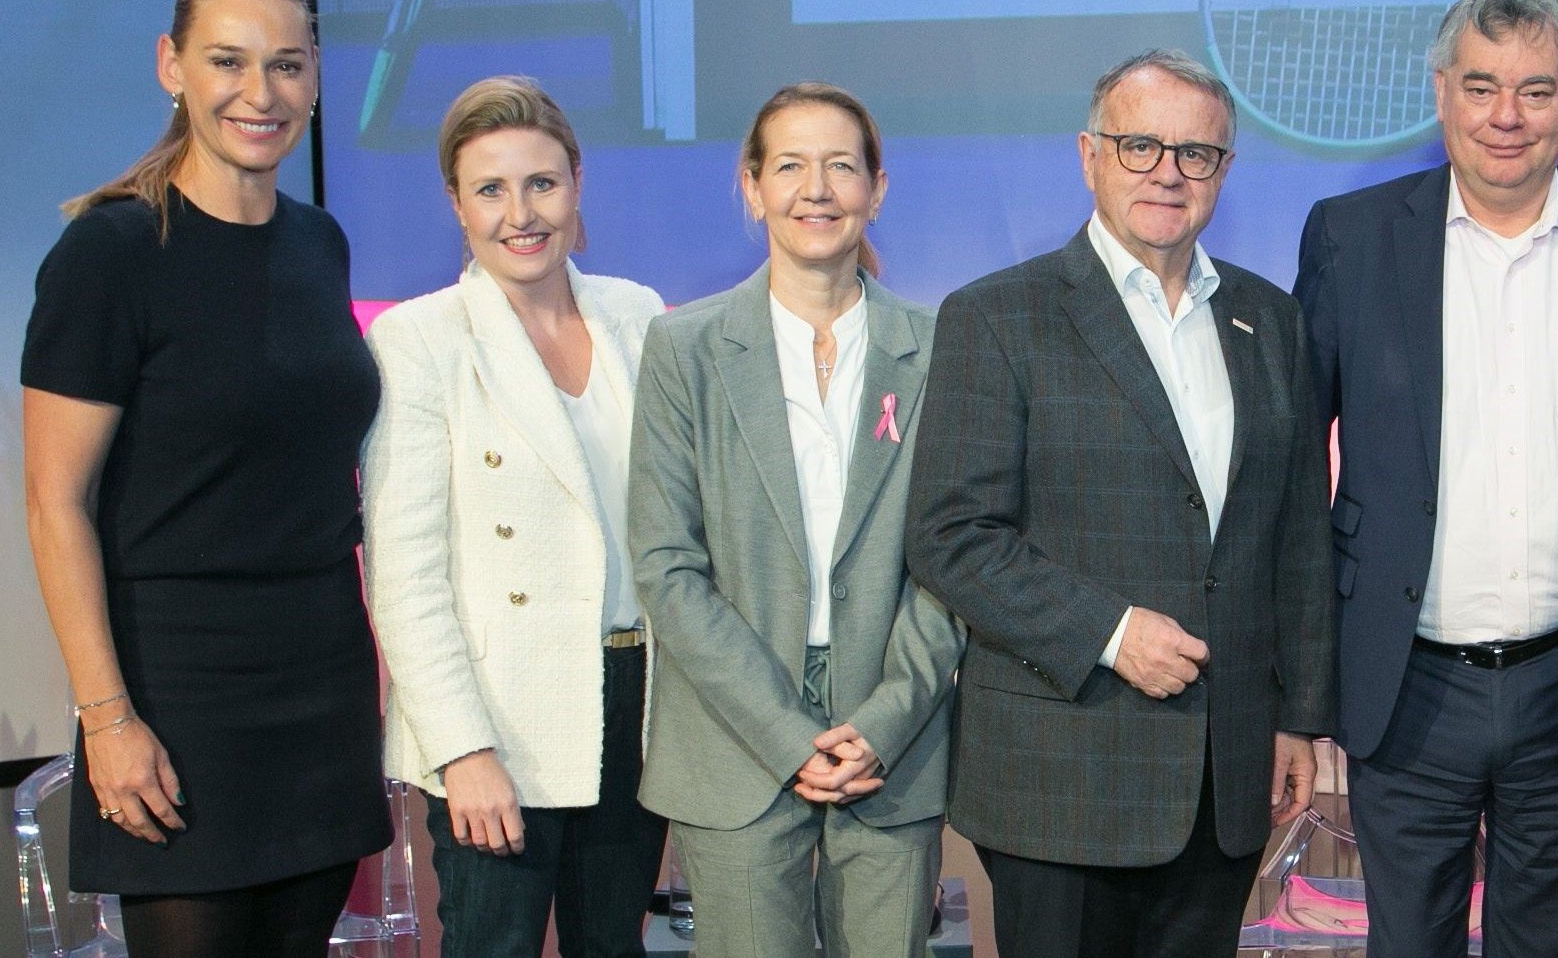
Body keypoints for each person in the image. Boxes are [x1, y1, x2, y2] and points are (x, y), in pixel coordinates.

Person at [1294, 0, 1558, 958]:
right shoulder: (1349, 237)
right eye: (1480, 87)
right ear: (1441, 93)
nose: (1505, 116)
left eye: (1535, 89)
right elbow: (1295, 474)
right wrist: (1298, 697)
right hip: (1405, 687)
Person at [906, 49, 1334, 958]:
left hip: (1225, 778)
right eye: (1140, 145)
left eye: (1195, 153)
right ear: (1089, 155)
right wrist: (1109, 631)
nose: (1167, 173)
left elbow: (1297, 535)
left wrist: (1298, 715)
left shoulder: (1271, 320)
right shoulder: (996, 315)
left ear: (1224, 169)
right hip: (1062, 776)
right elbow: (951, 535)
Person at [20, 0, 388, 958]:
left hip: (320, 685)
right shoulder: (111, 254)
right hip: (177, 696)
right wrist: (108, 718)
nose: (259, 92)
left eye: (286, 64)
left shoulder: (319, 244)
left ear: (314, 80)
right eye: (228, 61)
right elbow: (55, 503)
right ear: (170, 66)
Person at [628, 82, 962, 957]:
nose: (816, 190)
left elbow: (955, 556)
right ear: (752, 187)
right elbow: (666, 563)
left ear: (876, 190)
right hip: (732, 733)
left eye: (840, 166)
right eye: (789, 166)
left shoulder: (940, 347)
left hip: (891, 737)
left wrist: (886, 720)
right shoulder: (685, 347)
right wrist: (783, 732)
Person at [360, 76, 669, 956]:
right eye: (490, 189)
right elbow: (406, 577)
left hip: (636, 699)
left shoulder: (638, 315)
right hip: (499, 717)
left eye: (541, 183)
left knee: (614, 947)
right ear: (455, 203)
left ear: (576, 184)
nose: (520, 214)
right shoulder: (419, 338)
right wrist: (462, 751)